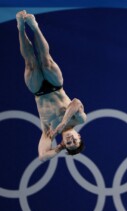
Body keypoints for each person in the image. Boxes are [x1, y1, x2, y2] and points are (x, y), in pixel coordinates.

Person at [16, 10, 87, 162]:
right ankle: (35, 27)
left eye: (69, 143)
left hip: (38, 91)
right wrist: (63, 123)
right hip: (56, 85)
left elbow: (42, 157)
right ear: (78, 135)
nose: (71, 140)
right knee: (46, 60)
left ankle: (21, 27)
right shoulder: (79, 120)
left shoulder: (48, 133)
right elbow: (76, 102)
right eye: (75, 140)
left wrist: (59, 147)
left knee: (31, 63)